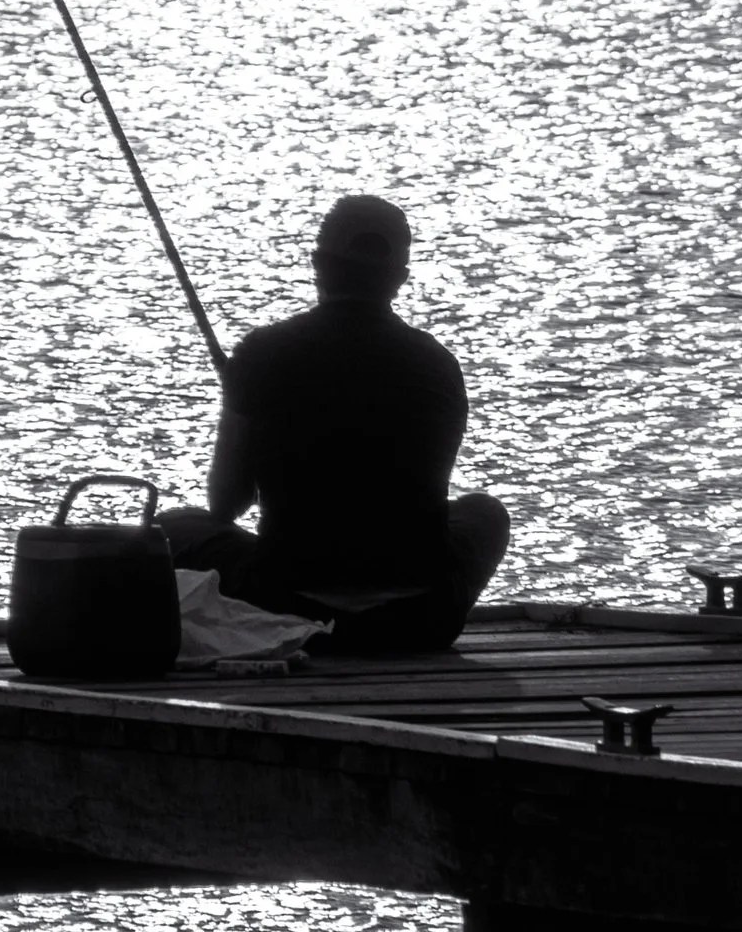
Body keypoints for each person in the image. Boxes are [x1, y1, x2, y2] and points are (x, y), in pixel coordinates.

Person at [160, 196, 511, 656]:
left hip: (287, 602)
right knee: (485, 513)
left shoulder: (262, 352)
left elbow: (226, 505)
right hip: (422, 617)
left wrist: (241, 403)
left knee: (174, 527)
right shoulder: (439, 364)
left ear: (318, 264)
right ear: (400, 278)